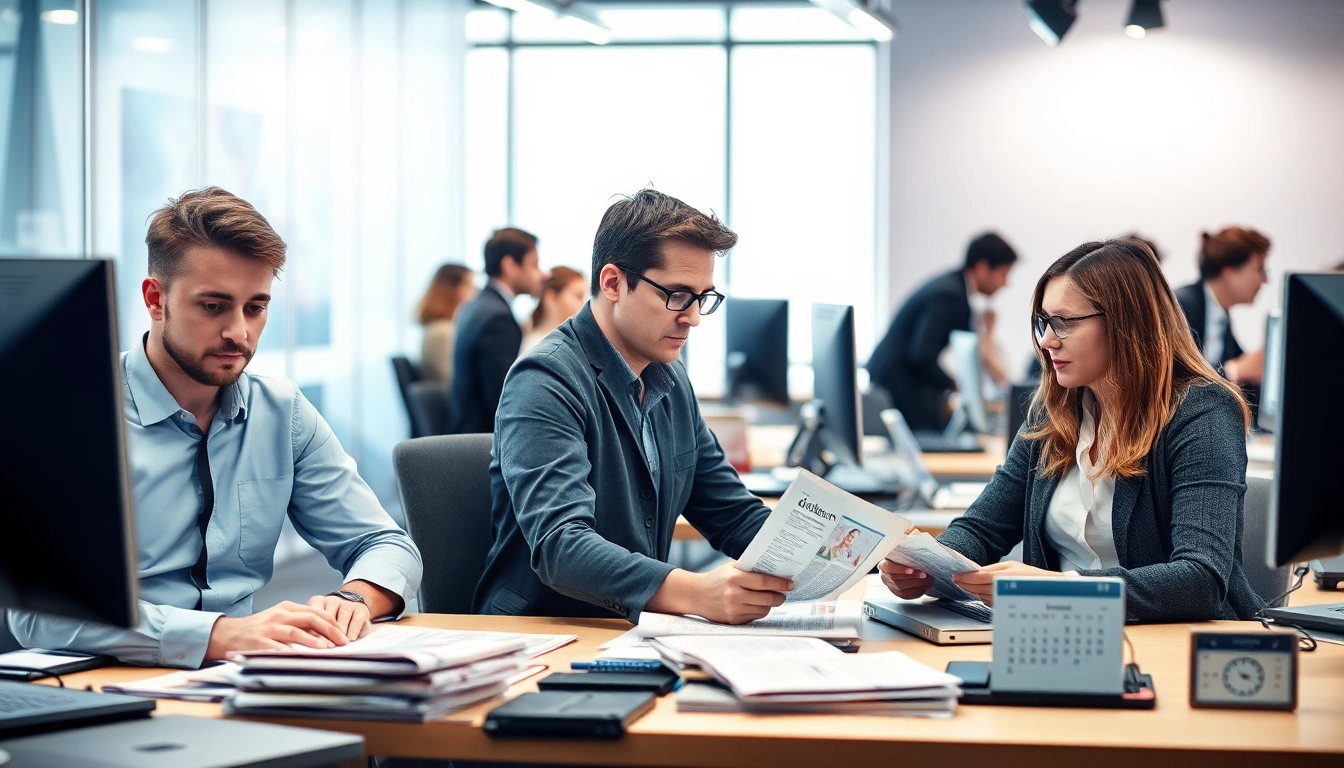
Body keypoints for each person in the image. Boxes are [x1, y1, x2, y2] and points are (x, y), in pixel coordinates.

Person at [7, 187, 423, 668]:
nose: (239, 333)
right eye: (213, 306)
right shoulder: (73, 416)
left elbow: (384, 543)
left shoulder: (281, 411)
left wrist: (355, 599)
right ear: (155, 299)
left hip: (239, 679)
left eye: (256, 307)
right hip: (103, 681)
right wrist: (218, 635)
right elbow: (39, 616)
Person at [878, 238, 1265, 622]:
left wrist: (1058, 589)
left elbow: (1201, 580)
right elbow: (983, 527)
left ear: (1125, 324)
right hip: (1060, 640)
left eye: (1063, 323)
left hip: (1177, 646)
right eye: (1044, 322)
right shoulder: (1053, 410)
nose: (1046, 341)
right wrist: (926, 566)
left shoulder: (1202, 413)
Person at [472, 189, 791, 625]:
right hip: (548, 634)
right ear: (613, 283)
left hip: (638, 629)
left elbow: (731, 512)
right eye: (677, 295)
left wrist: (864, 555)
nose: (693, 317)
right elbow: (561, 547)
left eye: (703, 297)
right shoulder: (544, 380)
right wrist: (698, 592)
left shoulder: (670, 378)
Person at [866, 232, 1018, 431]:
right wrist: (951, 382)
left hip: (899, 378)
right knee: (934, 434)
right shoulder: (950, 295)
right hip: (898, 382)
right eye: (1003, 274)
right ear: (982, 268)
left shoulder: (954, 288)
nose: (1005, 284)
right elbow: (920, 354)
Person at [447, 227, 547, 434]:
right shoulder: (498, 319)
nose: (541, 275)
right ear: (510, 265)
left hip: (466, 431)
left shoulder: (476, 305)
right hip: (483, 442)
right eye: (534, 265)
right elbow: (505, 400)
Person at [1173, 227, 1270, 396]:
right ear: (1229, 272)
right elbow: (1178, 385)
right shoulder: (1180, 307)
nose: (1265, 280)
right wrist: (1235, 371)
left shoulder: (1220, 316)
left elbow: (1250, 383)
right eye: (1260, 270)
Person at [417, 263, 476, 385]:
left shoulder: (438, 327)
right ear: (452, 289)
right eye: (470, 285)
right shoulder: (443, 332)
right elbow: (453, 381)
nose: (475, 291)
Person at [520, 265, 588, 354]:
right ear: (551, 297)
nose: (583, 304)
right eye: (578, 296)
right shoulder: (538, 347)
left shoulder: (571, 341)